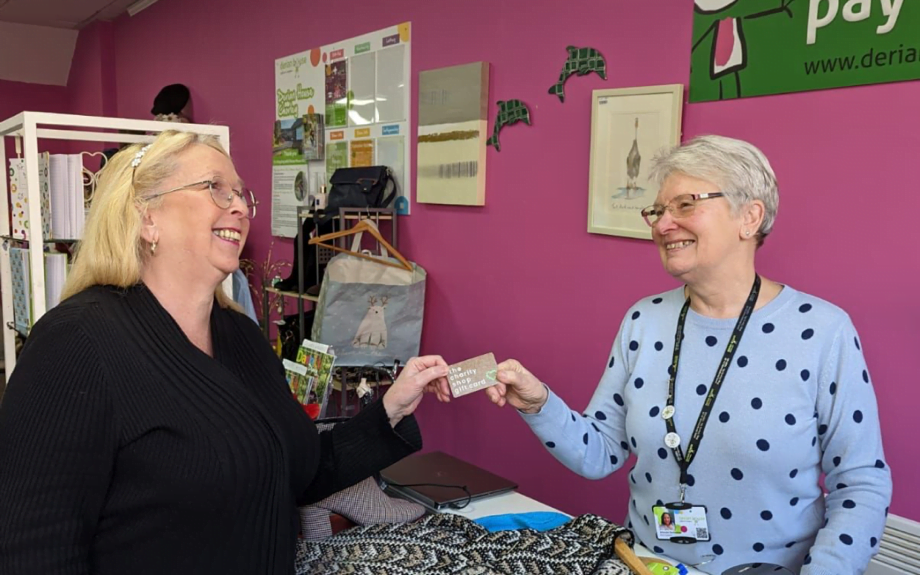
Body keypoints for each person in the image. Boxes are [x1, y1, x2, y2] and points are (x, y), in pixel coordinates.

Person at [0, 130, 452, 575]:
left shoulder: (240, 335)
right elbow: (33, 549)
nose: (238, 206)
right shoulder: (77, 342)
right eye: (214, 188)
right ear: (146, 218)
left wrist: (390, 408)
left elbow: (298, 473)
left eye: (240, 193)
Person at [487, 135, 891, 575]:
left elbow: (862, 483)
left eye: (685, 205)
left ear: (750, 217)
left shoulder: (822, 331)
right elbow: (599, 452)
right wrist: (536, 403)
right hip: (644, 564)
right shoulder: (644, 320)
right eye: (659, 211)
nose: (663, 225)